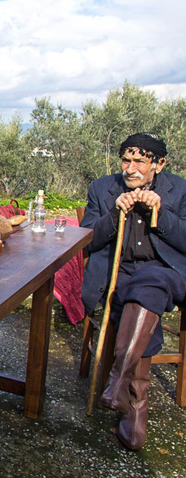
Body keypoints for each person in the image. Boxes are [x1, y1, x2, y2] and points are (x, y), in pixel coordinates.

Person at [81, 132, 186, 450]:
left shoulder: (179, 189)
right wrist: (115, 215)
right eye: (126, 159)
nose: (131, 168)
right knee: (142, 292)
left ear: (159, 164)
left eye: (140, 160)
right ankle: (134, 408)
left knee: (150, 281)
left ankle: (118, 381)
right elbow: (87, 239)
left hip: (169, 274)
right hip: (119, 276)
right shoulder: (102, 188)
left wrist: (161, 214)